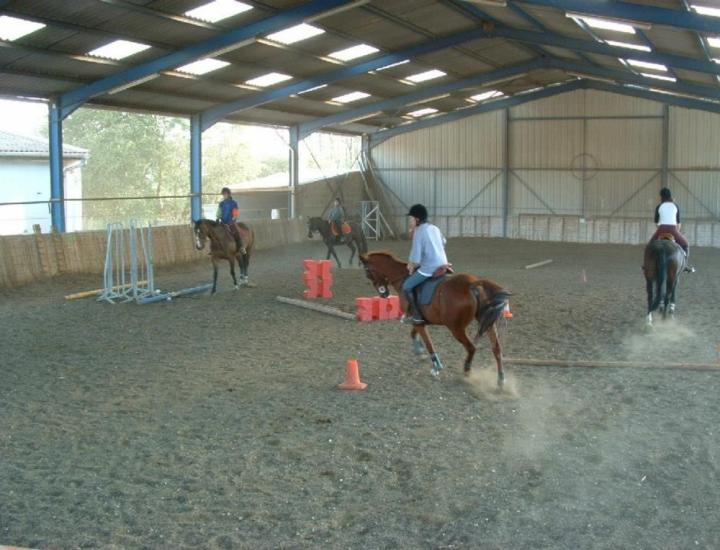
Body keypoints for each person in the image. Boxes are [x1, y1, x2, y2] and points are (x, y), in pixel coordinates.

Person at [402, 203, 449, 324]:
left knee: (406, 286)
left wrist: (411, 264)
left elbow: (416, 258)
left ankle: (416, 315)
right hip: (443, 263)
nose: (410, 221)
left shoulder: (419, 232)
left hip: (430, 267)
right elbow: (444, 242)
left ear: (417, 219)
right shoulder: (434, 228)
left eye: (411, 218)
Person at [650, 187, 694, 273]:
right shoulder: (675, 206)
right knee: (685, 244)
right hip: (673, 230)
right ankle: (684, 266)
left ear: (661, 197)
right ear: (670, 195)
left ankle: (647, 265)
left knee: (649, 245)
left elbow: (656, 222)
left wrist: (660, 230)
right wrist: (676, 232)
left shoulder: (659, 206)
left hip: (661, 229)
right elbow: (678, 224)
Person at [216, 187, 244, 253]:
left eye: (225, 194)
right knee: (215, 232)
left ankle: (241, 247)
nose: (224, 195)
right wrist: (217, 218)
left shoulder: (233, 203)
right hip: (222, 222)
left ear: (228, 194)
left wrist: (234, 218)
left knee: (236, 232)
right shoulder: (221, 203)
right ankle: (215, 248)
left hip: (230, 222)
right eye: (223, 194)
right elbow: (219, 212)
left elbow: (235, 212)